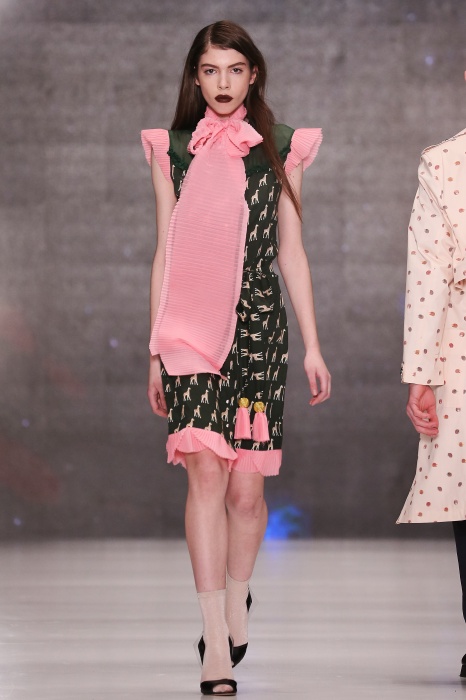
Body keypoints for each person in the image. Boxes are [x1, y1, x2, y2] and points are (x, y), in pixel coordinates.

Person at [141, 20, 331, 696]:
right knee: (205, 477)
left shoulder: (280, 149)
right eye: (210, 70)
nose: (222, 83)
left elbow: (291, 252)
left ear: (253, 76)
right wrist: (155, 350)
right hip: (189, 332)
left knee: (247, 494)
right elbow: (164, 254)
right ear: (195, 78)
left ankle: (237, 599)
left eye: (235, 70)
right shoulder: (172, 151)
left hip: (257, 332)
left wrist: (312, 345)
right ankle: (214, 641)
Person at [398, 93, 466, 675]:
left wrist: (421, 374)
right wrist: (421, 374)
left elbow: (430, 272)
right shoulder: (443, 162)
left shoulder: (445, 163)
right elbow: (429, 273)